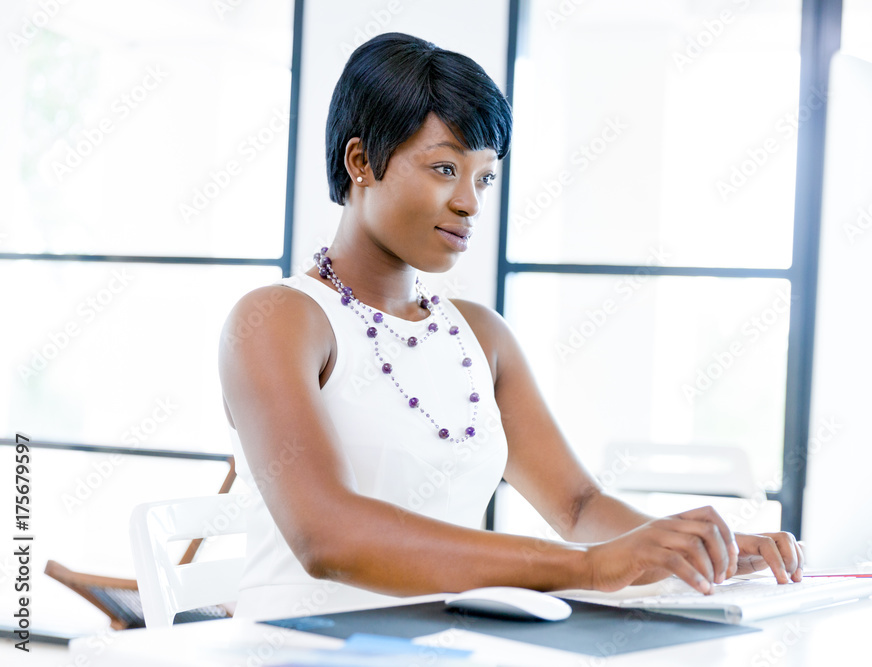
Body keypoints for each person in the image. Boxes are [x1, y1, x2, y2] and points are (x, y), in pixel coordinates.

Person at [218, 32, 804, 622]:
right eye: (445, 168)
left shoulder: (481, 335)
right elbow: (329, 538)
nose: (470, 202)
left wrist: (696, 548)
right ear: (362, 162)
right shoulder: (278, 320)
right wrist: (590, 567)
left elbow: (578, 508)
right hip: (299, 646)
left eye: (484, 178)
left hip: (446, 646)